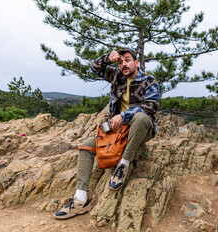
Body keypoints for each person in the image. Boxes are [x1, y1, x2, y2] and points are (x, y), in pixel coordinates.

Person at [54, 48, 160, 219]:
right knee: (86, 146)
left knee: (140, 117)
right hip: (115, 126)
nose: (124, 64)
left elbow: (151, 107)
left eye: (127, 60)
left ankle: (123, 165)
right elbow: (94, 68)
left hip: (140, 127)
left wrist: (123, 115)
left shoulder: (149, 81)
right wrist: (107, 59)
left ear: (136, 63)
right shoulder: (117, 76)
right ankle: (80, 200)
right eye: (120, 62)